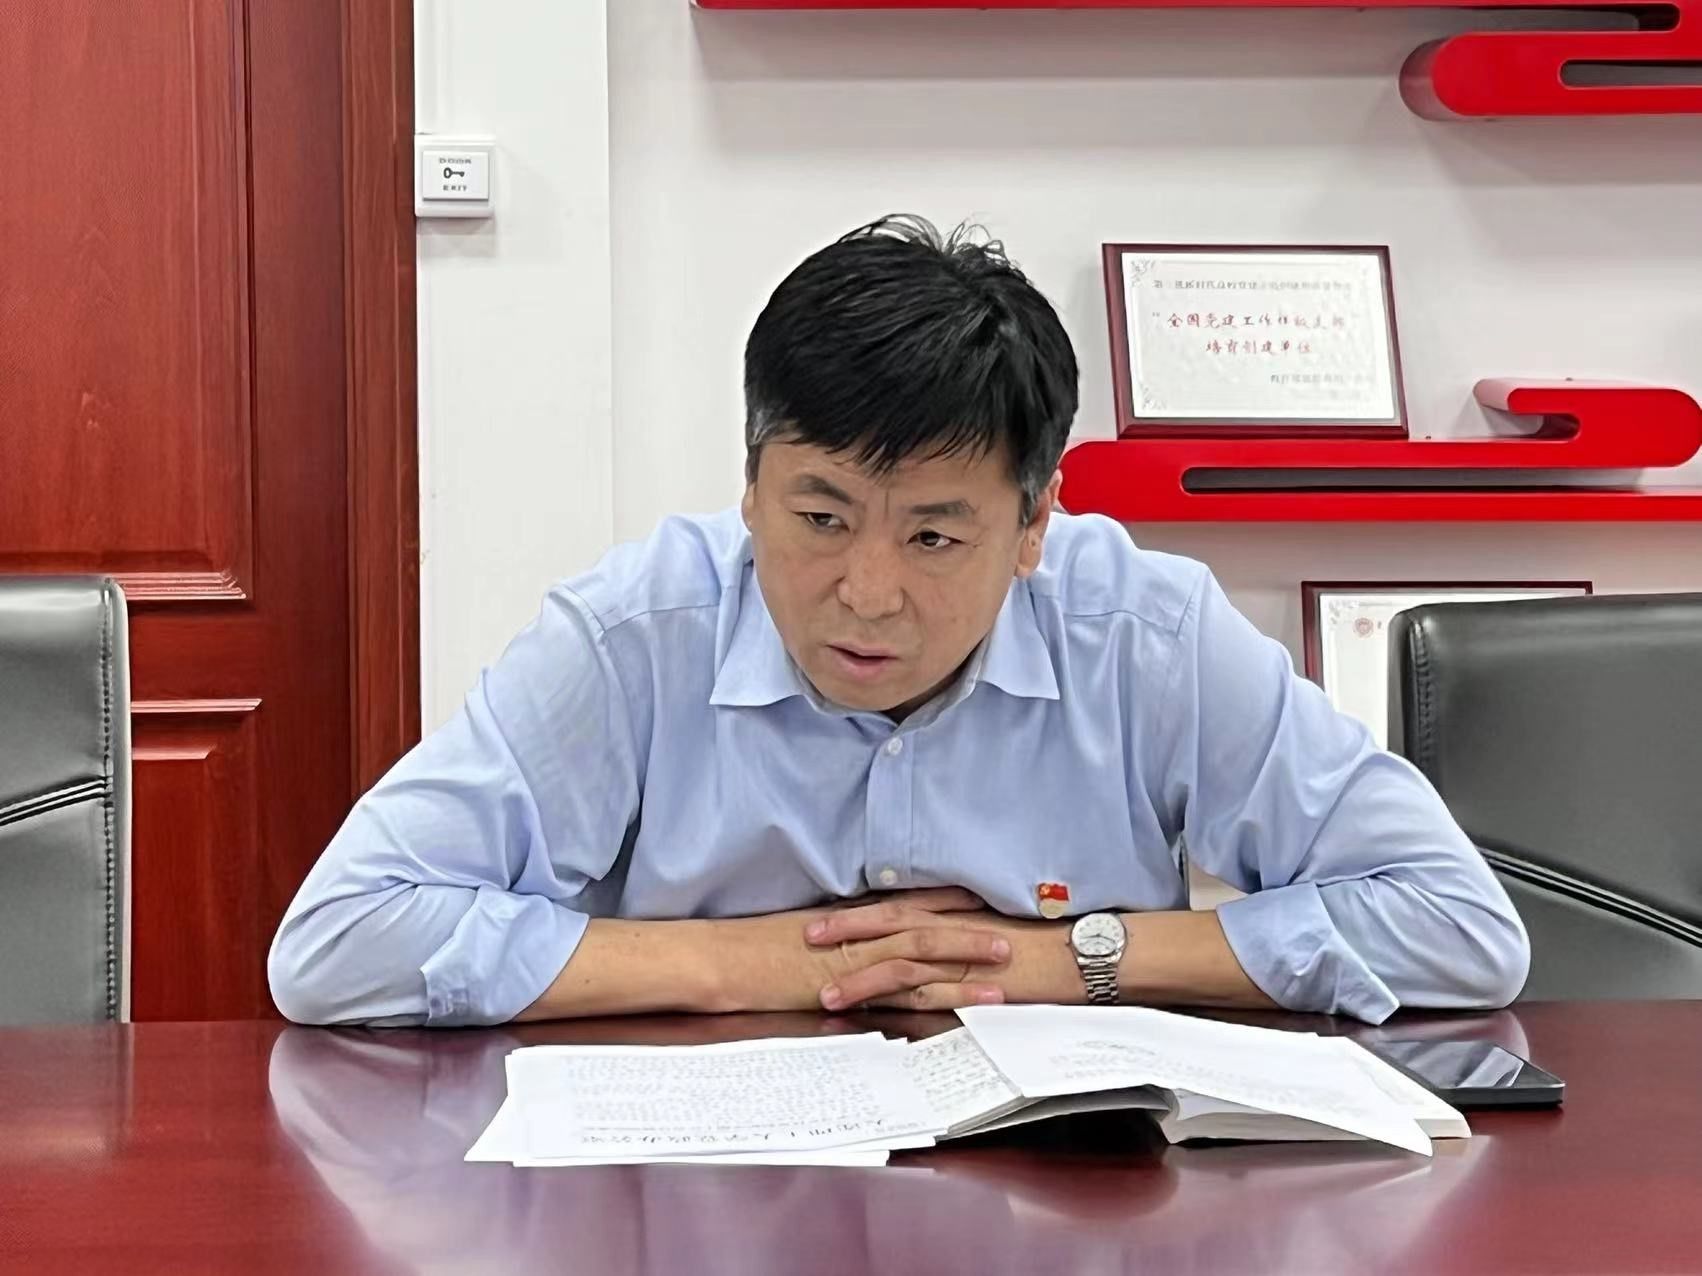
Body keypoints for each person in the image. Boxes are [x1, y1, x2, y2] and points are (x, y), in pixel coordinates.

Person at [268, 215, 1528, 1028]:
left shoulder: (1141, 629)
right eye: (820, 518)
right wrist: (749, 962)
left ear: (1032, 524)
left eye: (933, 536)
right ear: (750, 488)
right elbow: (336, 943)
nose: (867, 592)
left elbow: (1459, 927)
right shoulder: (637, 632)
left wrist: (1073, 956)